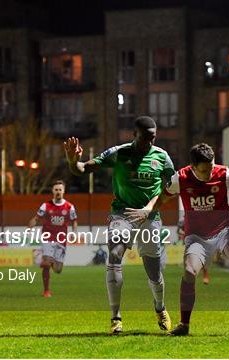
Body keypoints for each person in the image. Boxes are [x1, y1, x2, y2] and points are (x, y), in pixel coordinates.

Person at [128, 143, 229, 336]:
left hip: (224, 231)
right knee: (189, 271)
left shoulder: (224, 174)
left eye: (212, 167)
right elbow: (161, 198)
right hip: (197, 237)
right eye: (205, 170)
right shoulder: (180, 179)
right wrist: (147, 209)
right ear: (194, 167)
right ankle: (184, 325)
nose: (210, 173)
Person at [64, 116, 175, 334]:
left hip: (149, 217)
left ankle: (160, 308)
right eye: (145, 138)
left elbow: (172, 187)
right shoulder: (118, 152)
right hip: (122, 214)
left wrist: (150, 208)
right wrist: (71, 161)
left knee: (153, 271)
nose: (150, 142)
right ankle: (116, 317)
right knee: (114, 254)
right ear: (134, 135)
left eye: (153, 138)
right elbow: (83, 169)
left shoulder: (162, 157)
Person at [27, 180, 77, 297]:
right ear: (52, 191)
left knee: (58, 270)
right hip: (47, 237)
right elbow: (36, 218)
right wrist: (30, 225)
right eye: (56, 190)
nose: (58, 192)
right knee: (47, 262)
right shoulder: (46, 205)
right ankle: (46, 291)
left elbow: (74, 221)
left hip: (61, 239)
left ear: (63, 191)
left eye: (60, 190)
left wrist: (74, 232)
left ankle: (46, 261)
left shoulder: (70, 206)